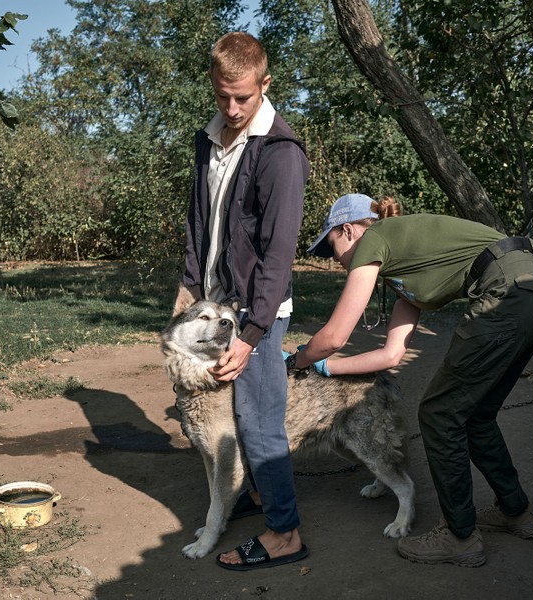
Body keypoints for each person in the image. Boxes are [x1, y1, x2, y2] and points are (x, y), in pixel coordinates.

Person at [288, 193, 533, 567]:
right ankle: (515, 511)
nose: (333, 259)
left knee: (438, 414)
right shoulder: (405, 264)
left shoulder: (374, 239)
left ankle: (459, 535)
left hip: (507, 294)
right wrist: (327, 368)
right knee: (475, 415)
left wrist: (300, 359)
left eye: (330, 246)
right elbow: (391, 355)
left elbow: (334, 337)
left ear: (348, 230)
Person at [182, 31, 310, 571]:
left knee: (259, 421)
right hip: (213, 304)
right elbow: (197, 226)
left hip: (255, 314)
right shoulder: (209, 141)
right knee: (233, 411)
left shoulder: (280, 153)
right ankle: (255, 497)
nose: (232, 109)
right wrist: (185, 296)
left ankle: (285, 534)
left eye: (243, 97)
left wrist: (253, 335)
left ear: (265, 84)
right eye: (222, 96)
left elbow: (279, 253)